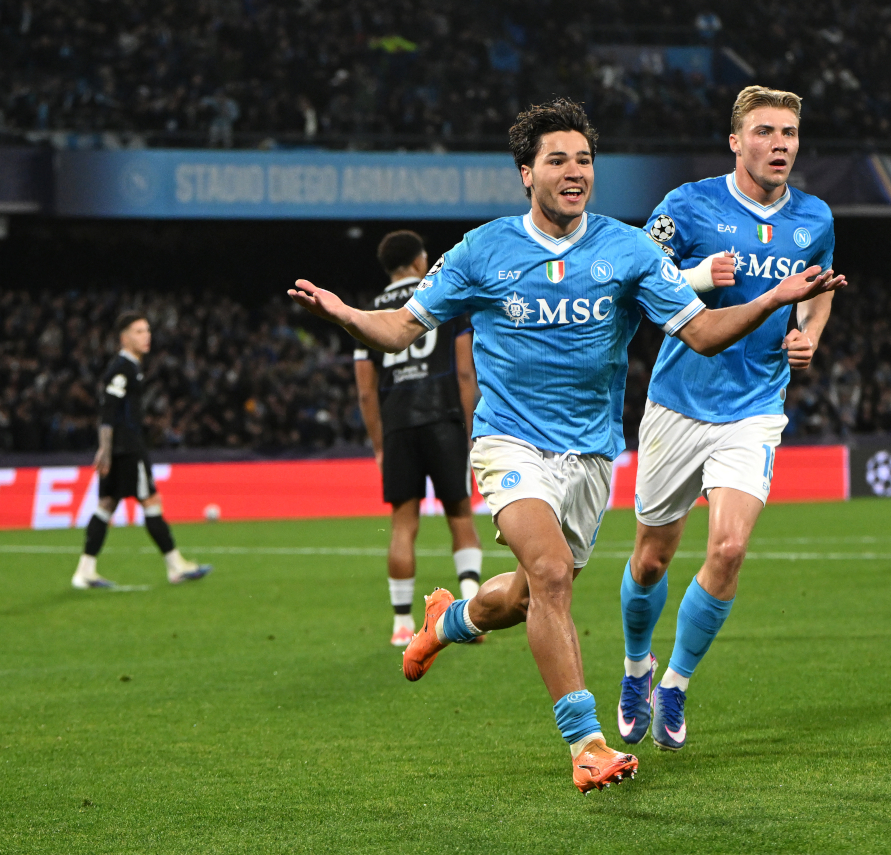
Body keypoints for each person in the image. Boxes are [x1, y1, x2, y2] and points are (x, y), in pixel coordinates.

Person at [287, 98, 845, 793]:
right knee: (551, 574)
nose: (575, 171)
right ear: (526, 173)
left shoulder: (628, 249)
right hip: (509, 443)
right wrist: (348, 315)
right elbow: (402, 328)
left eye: (584, 159)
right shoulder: (484, 250)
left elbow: (700, 332)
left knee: (526, 596)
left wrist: (770, 301)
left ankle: (449, 618)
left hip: (589, 455)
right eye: (558, 159)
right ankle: (585, 741)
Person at [617, 85, 838, 752]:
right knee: (652, 559)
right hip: (678, 402)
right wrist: (697, 275)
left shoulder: (815, 218)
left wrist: (809, 334)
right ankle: (635, 668)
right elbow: (634, 273)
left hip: (754, 407)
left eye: (790, 134)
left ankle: (676, 682)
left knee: (730, 547)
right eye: (766, 132)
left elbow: (819, 289)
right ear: (736, 141)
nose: (780, 144)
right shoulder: (687, 205)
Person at [354, 230, 484, 647]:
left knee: (403, 526)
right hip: (445, 419)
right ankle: (471, 612)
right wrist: (468, 429)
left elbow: (364, 390)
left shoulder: (368, 312)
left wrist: (379, 443)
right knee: (460, 517)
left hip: (398, 426)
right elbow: (466, 373)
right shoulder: (443, 297)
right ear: (417, 261)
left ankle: (400, 625)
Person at [71, 312, 212, 589]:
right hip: (127, 448)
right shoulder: (122, 367)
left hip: (121, 447)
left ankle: (84, 571)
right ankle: (175, 566)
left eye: (147, 330)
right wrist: (106, 448)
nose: (146, 336)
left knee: (106, 505)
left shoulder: (131, 367)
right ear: (124, 338)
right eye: (138, 331)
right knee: (151, 501)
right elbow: (108, 410)